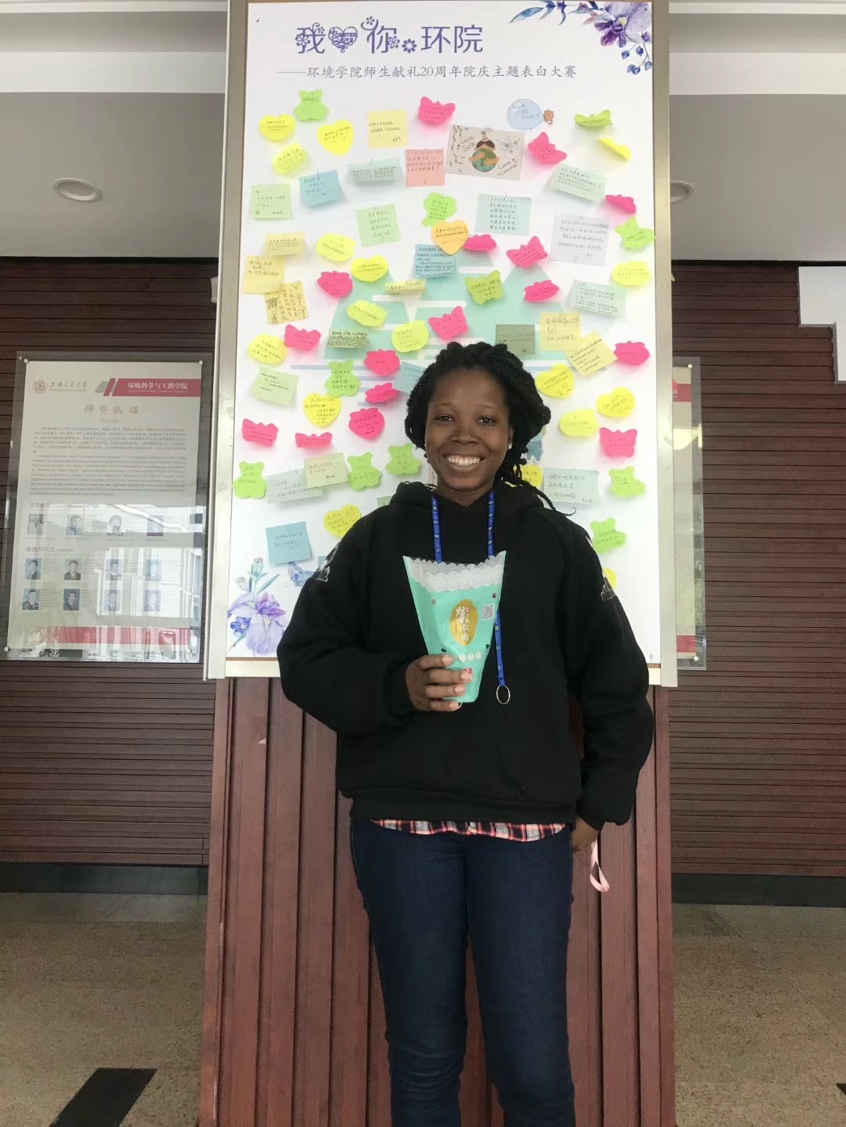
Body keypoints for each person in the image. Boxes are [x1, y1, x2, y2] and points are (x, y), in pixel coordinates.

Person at [278, 342, 654, 1127]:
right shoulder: (375, 539)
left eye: (486, 419)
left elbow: (619, 683)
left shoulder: (555, 544)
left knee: (534, 1064)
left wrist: (600, 803)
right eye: (445, 417)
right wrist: (396, 685)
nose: (464, 435)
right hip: (401, 827)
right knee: (423, 1054)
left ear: (512, 433)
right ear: (421, 428)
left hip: (524, 831)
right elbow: (305, 658)